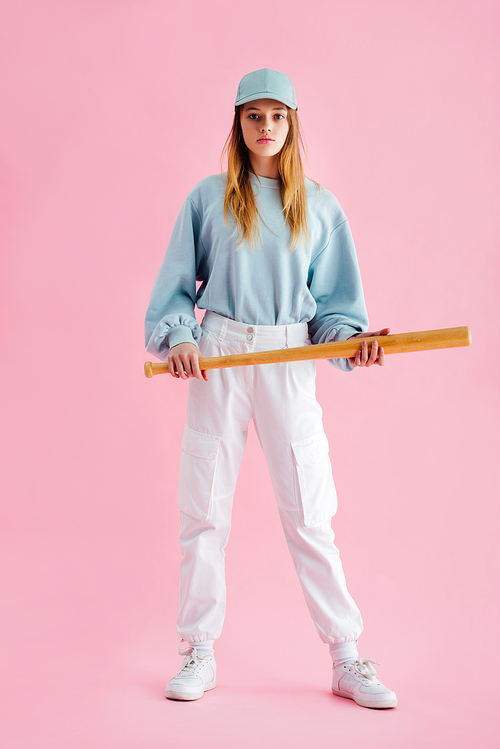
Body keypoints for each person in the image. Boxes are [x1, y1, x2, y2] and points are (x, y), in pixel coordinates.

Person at [145, 68, 397, 709]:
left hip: (290, 356)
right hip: (221, 353)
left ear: (292, 124)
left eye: (277, 117)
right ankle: (198, 651)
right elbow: (176, 288)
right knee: (204, 510)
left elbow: (336, 310)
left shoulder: (320, 206)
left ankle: (346, 656)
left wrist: (354, 341)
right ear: (238, 123)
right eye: (253, 116)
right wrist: (180, 337)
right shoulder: (208, 199)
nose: (265, 128)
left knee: (310, 512)